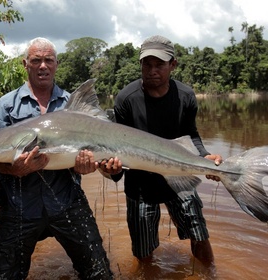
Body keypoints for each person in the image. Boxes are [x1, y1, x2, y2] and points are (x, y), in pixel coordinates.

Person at [0, 37, 114, 280]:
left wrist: (87, 167)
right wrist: (13, 169)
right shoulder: (6, 105)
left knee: (99, 274)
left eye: (48, 60)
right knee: (3, 276)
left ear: (56, 64)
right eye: (36, 60)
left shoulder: (73, 106)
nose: (42, 66)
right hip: (18, 205)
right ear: (26, 64)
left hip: (67, 201)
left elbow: (100, 155)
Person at [109, 35, 222, 268]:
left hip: (179, 174)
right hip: (140, 183)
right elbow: (115, 144)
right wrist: (112, 170)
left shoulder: (186, 96)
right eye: (146, 64)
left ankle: (210, 274)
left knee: (199, 234)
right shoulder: (125, 100)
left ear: (173, 65)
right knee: (143, 252)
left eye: (159, 64)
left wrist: (204, 157)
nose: (152, 71)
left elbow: (191, 135)